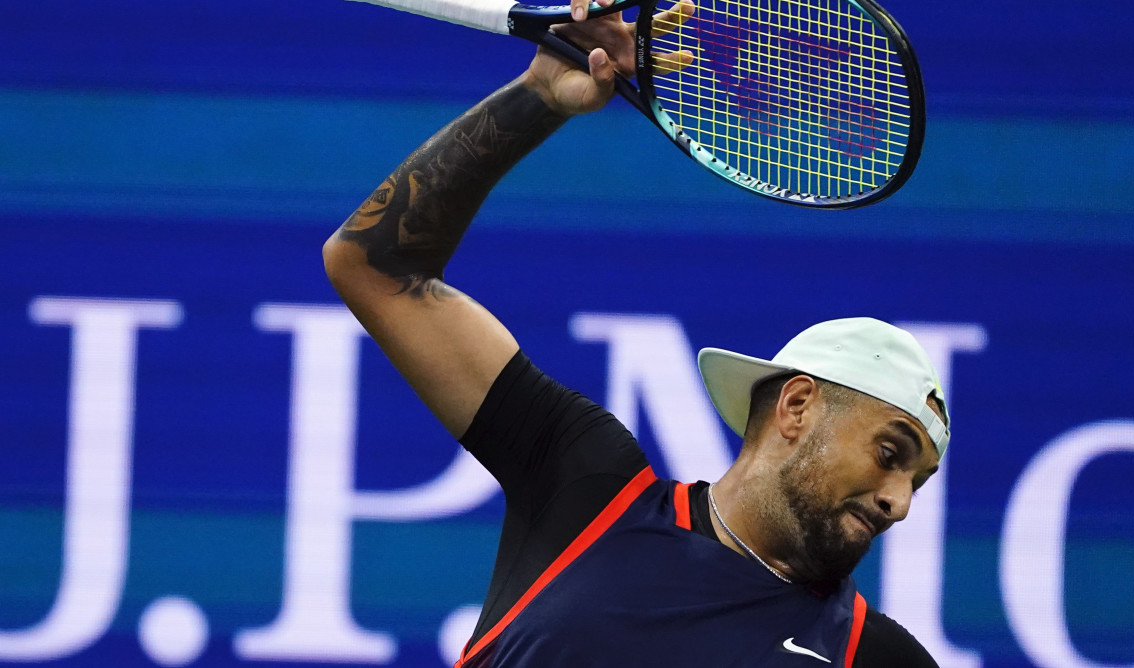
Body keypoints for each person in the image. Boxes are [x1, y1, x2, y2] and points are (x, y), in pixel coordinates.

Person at [323, 1, 945, 664]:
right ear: (796, 407)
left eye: (918, 480)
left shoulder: (876, 659)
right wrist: (539, 98)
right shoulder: (586, 483)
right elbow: (374, 266)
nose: (898, 502)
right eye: (890, 453)